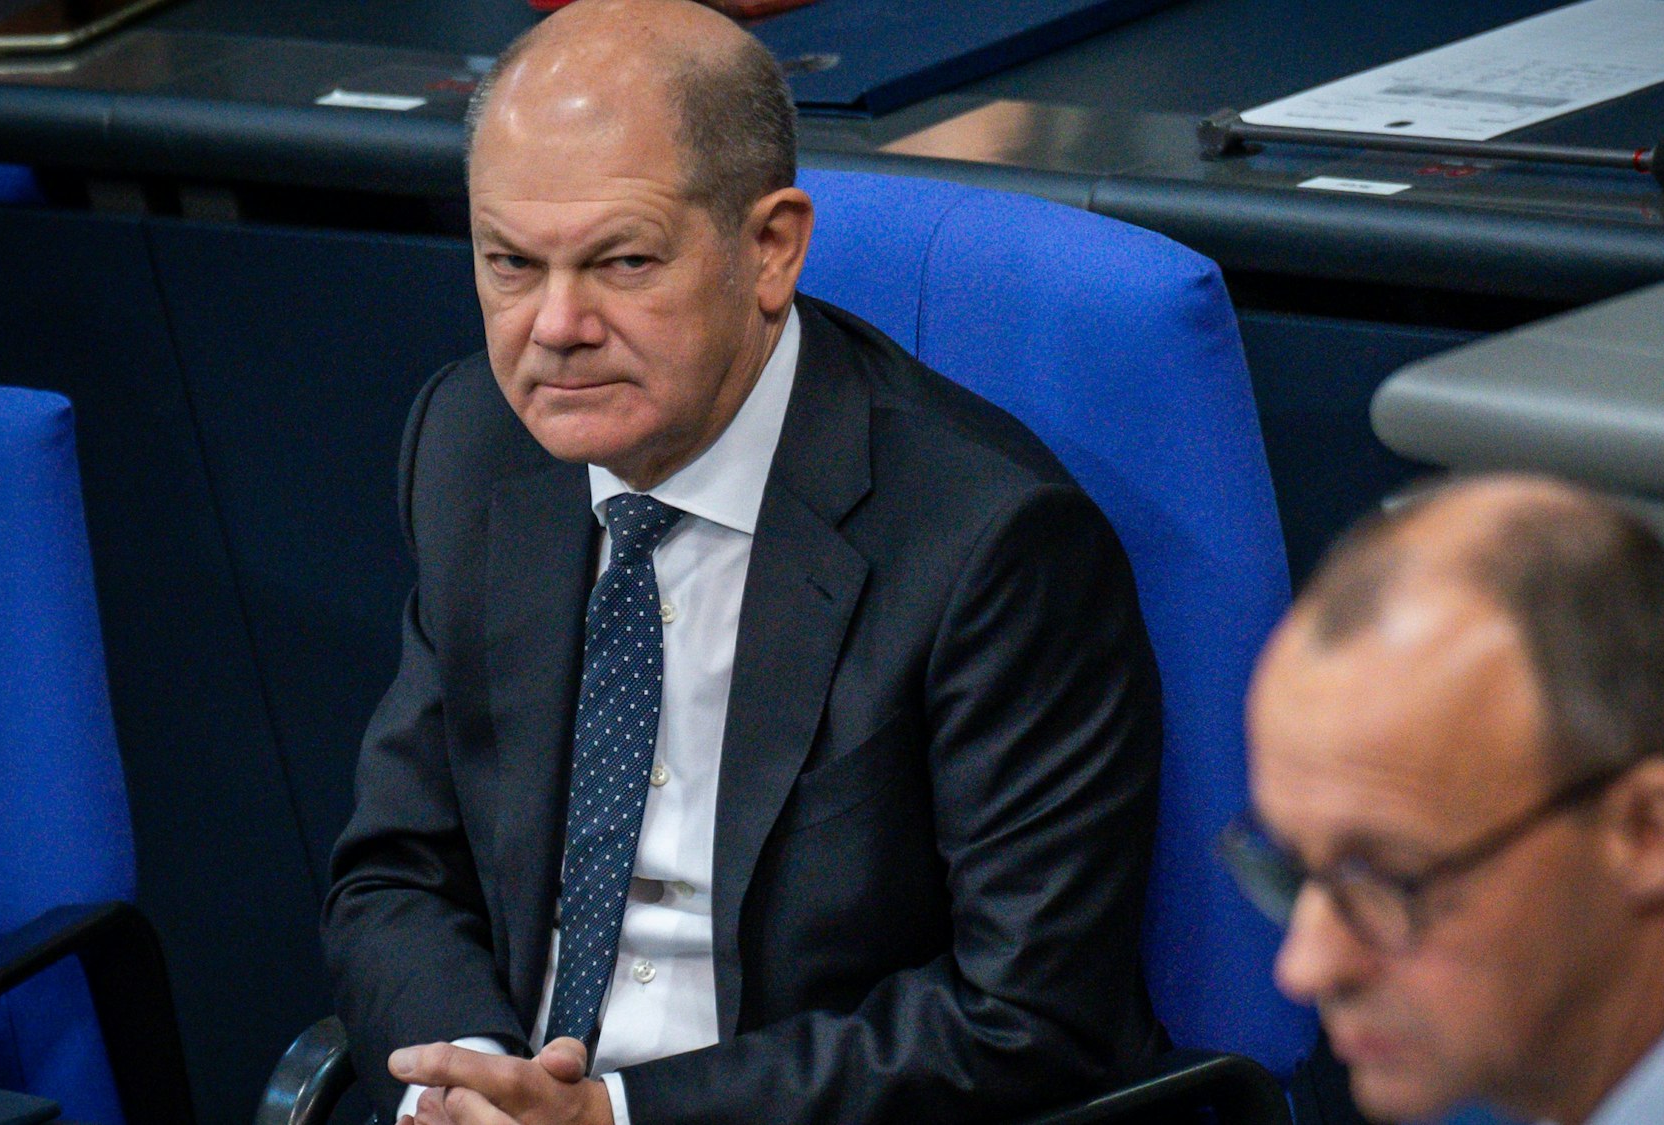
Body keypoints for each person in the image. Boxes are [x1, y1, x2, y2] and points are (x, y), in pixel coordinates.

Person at [319, 2, 1167, 1122]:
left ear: (769, 248)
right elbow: (394, 875)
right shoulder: (473, 447)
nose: (555, 326)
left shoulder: (985, 544)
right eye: (510, 265)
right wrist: (473, 1077)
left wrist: (615, 1116)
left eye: (620, 262)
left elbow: (1024, 1017)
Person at [1227, 474, 1664, 1125]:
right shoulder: (1487, 1070)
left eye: (1386, 877)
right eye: (1291, 868)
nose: (1305, 966)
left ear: (1647, 831)